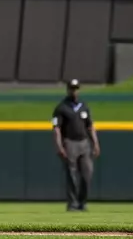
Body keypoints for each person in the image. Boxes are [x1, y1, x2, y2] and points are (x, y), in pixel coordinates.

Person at [52, 79, 101, 212]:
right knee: (71, 174)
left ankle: (82, 202)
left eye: (76, 88)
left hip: (84, 143)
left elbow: (90, 126)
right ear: (68, 90)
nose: (74, 91)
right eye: (72, 88)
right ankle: (72, 203)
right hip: (70, 142)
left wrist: (96, 143)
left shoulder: (84, 106)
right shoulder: (61, 107)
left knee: (87, 173)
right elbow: (56, 128)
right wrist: (59, 146)